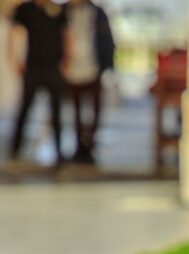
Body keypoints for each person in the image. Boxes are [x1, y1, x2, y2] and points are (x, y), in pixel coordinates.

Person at [7, 0, 68, 164]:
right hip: (32, 66)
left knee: (56, 111)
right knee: (25, 108)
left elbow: (65, 34)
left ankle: (59, 151)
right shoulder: (25, 10)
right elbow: (14, 33)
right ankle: (15, 148)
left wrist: (66, 59)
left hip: (53, 66)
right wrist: (14, 57)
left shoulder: (57, 10)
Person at [62, 0, 114, 163]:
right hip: (71, 68)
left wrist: (107, 65)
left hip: (93, 67)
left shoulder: (97, 13)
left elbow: (107, 40)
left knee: (95, 109)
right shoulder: (63, 12)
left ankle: (90, 144)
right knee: (75, 110)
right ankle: (79, 145)